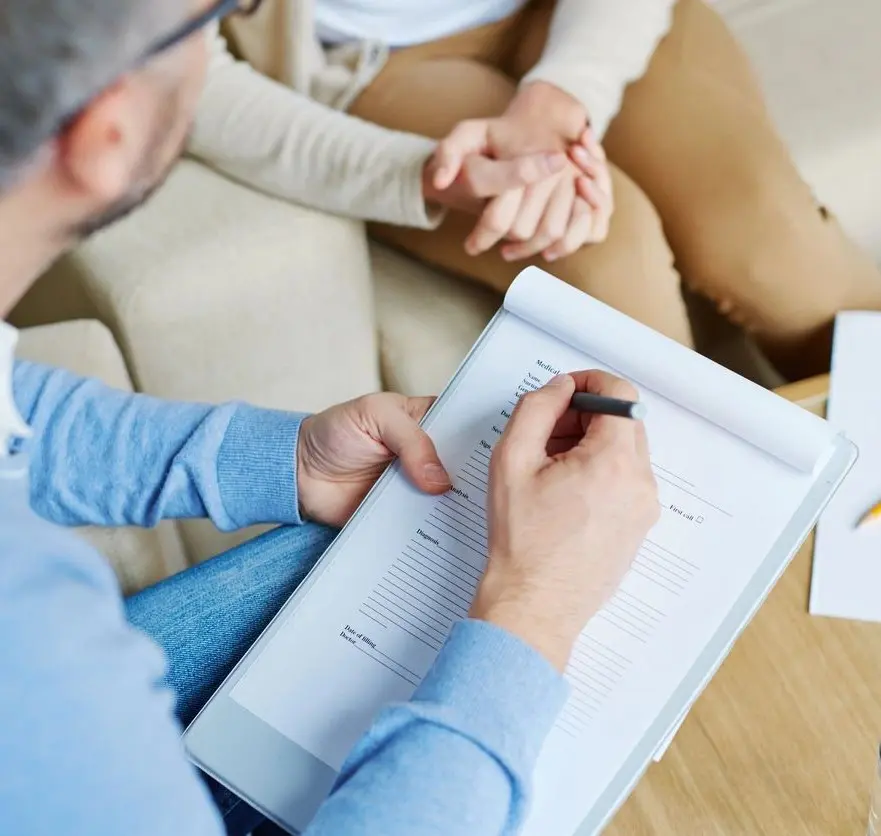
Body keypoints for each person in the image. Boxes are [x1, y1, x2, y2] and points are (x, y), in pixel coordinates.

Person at [0, 3, 661, 836]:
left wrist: (279, 460)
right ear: (108, 130)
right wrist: (535, 611)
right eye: (216, 16)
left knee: (413, 555)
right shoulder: (39, 635)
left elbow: (12, 411)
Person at [192, 0, 881, 382]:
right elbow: (185, 83)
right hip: (368, 66)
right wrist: (423, 174)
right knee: (608, 263)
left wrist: (562, 98)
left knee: (780, 256)